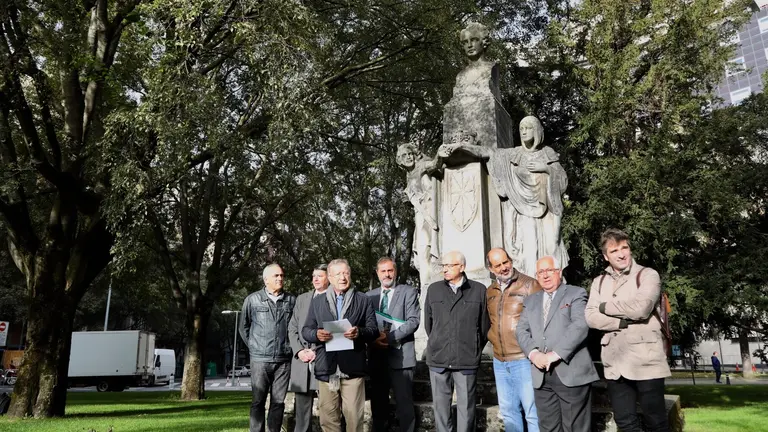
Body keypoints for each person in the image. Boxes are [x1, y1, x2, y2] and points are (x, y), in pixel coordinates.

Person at [438, 116, 569, 277]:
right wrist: (461, 146)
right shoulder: (513, 155)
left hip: (546, 211)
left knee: (551, 246)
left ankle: (553, 285)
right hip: (524, 211)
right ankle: (531, 287)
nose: (524, 132)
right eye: (521, 129)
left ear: (536, 131)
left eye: (528, 128)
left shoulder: (547, 154)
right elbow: (488, 152)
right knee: (529, 250)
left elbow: (561, 180)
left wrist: (546, 169)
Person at [585, 228, 671, 432]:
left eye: (625, 248)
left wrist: (604, 307)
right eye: (614, 251)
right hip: (615, 361)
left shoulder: (648, 274)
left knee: (656, 422)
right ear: (606, 256)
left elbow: (641, 309)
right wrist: (620, 323)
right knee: (625, 422)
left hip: (646, 360)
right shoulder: (599, 282)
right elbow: (590, 317)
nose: (622, 254)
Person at [516, 256, 598, 432]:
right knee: (548, 427)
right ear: (536, 276)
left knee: (575, 428)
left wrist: (556, 354)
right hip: (541, 375)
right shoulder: (530, 301)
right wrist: (534, 354)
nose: (545, 275)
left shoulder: (576, 293)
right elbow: (521, 331)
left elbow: (580, 326)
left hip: (570, 372)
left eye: (549, 270)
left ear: (559, 272)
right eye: (540, 272)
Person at [301, 259, 378, 432]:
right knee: (328, 420)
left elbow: (373, 331)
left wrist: (359, 333)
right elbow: (306, 330)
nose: (342, 278)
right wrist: (316, 334)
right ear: (330, 277)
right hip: (326, 368)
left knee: (354, 418)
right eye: (338, 274)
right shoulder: (318, 301)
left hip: (353, 368)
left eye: (346, 273)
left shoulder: (363, 299)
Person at [425, 250, 491, 432]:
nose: (444, 269)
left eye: (449, 265)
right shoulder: (434, 289)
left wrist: (473, 347)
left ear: (461, 267)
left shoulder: (479, 290)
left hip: (466, 359)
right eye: (443, 266)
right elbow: (429, 325)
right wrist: (440, 342)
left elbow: (484, 327)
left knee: (467, 408)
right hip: (438, 358)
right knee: (440, 408)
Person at [485, 247, 541, 432]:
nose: (503, 267)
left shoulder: (530, 285)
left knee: (532, 413)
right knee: (508, 412)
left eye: (505, 262)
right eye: (497, 265)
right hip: (499, 361)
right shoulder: (490, 291)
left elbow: (541, 321)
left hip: (523, 359)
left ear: (510, 260)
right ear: (491, 269)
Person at [239, 264, 297, 432]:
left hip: (284, 360)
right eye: (276, 276)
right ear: (266, 279)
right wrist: (254, 346)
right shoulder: (252, 300)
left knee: (278, 403)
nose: (280, 278)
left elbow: (295, 327)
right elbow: (244, 327)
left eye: (282, 275)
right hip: (260, 360)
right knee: (258, 401)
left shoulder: (292, 300)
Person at [366, 257, 421, 432]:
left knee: (405, 406)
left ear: (395, 271)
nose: (387, 274)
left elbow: (413, 321)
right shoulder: (369, 296)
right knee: (378, 406)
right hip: (377, 359)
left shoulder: (408, 292)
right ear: (377, 273)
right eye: (383, 271)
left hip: (401, 358)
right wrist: (373, 339)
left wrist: (388, 338)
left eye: (390, 270)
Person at [288, 264, 330, 432]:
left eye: (320, 275)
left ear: (329, 278)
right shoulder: (302, 299)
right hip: (302, 362)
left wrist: (316, 351)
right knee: (301, 415)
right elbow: (292, 328)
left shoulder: (335, 298)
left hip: (325, 360)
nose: (315, 279)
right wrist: (299, 351)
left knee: (329, 411)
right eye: (314, 276)